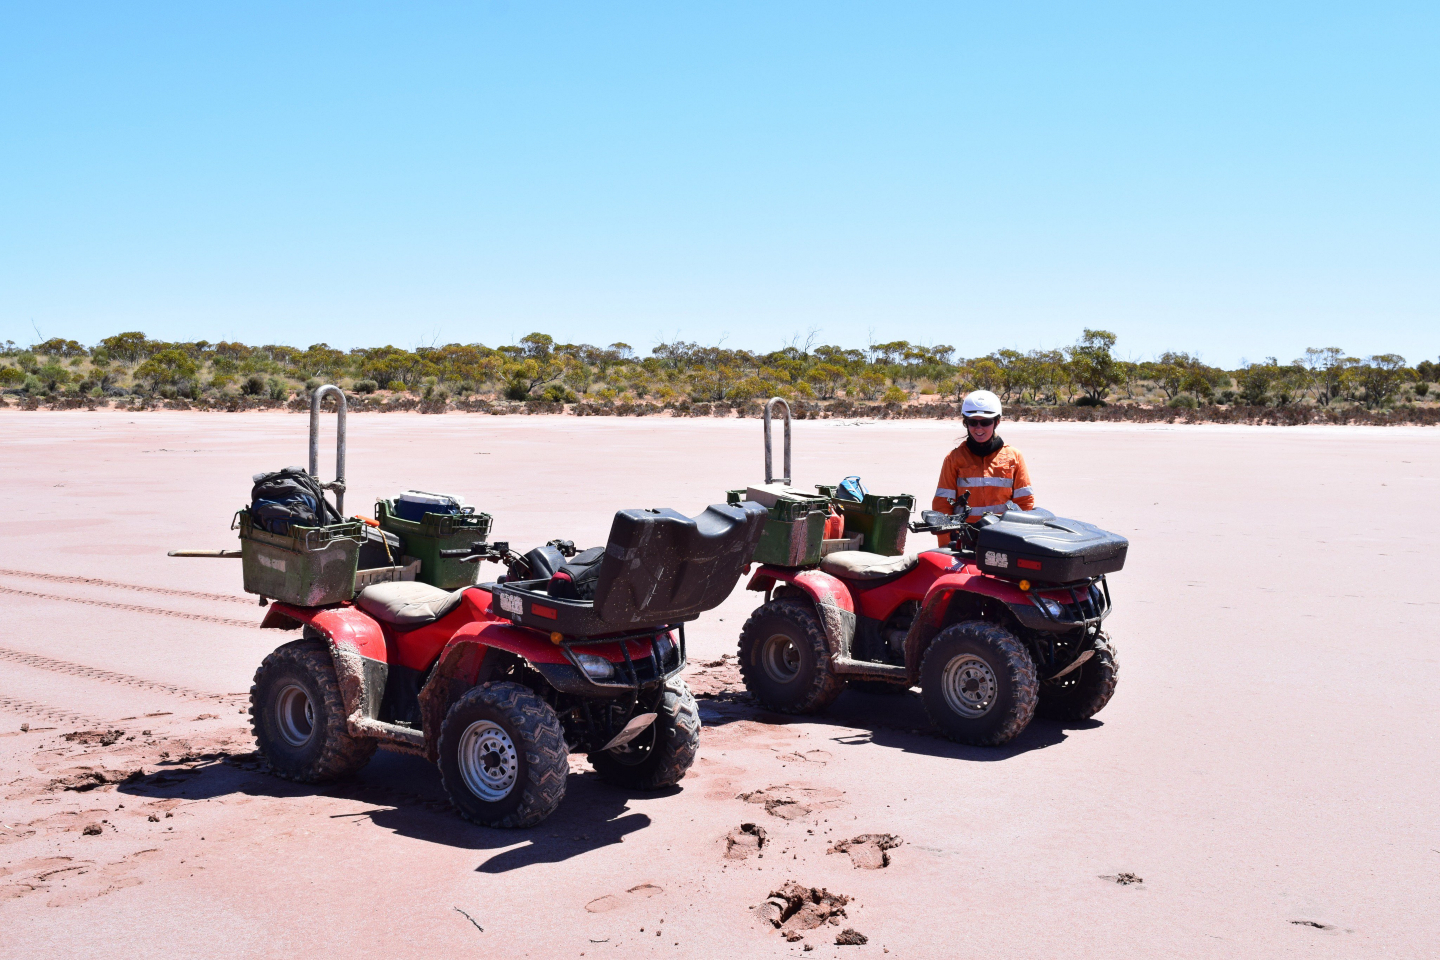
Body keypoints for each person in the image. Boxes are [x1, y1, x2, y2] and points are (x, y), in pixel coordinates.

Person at [931, 390, 1035, 545]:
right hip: (964, 537)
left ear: (997, 422)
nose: (978, 428)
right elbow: (942, 505)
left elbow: (1025, 502)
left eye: (985, 422)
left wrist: (1020, 541)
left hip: (1004, 535)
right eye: (973, 422)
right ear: (966, 423)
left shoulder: (1014, 456)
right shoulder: (953, 459)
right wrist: (946, 545)